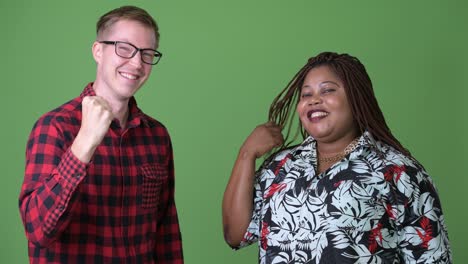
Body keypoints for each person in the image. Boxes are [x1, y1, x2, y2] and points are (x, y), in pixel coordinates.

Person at [222, 52, 452, 263]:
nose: (314, 100)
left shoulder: (397, 172)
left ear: (356, 97)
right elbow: (236, 235)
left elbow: (432, 257)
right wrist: (246, 154)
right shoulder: (280, 167)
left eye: (327, 90)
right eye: (306, 94)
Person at [19, 6, 183, 263]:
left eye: (147, 53)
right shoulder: (55, 127)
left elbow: (166, 231)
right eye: (125, 48)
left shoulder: (157, 136)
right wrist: (83, 144)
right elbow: (38, 231)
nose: (137, 63)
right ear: (98, 51)